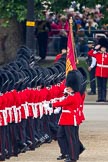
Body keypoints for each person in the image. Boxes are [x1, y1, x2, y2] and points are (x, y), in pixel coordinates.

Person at [47, 70, 83, 162]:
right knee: (60, 136)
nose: (67, 88)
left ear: (73, 87)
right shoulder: (72, 94)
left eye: (69, 87)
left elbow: (64, 103)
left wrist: (52, 105)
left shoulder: (74, 96)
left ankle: (73, 157)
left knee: (71, 139)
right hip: (65, 119)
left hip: (70, 119)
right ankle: (66, 153)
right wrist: (66, 94)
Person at [88, 37, 108, 102]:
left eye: (104, 48)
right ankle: (100, 98)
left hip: (105, 72)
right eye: (102, 48)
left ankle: (104, 98)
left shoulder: (107, 55)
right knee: (99, 86)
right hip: (99, 72)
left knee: (104, 86)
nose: (103, 49)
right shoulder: (97, 54)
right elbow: (90, 53)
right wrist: (95, 48)